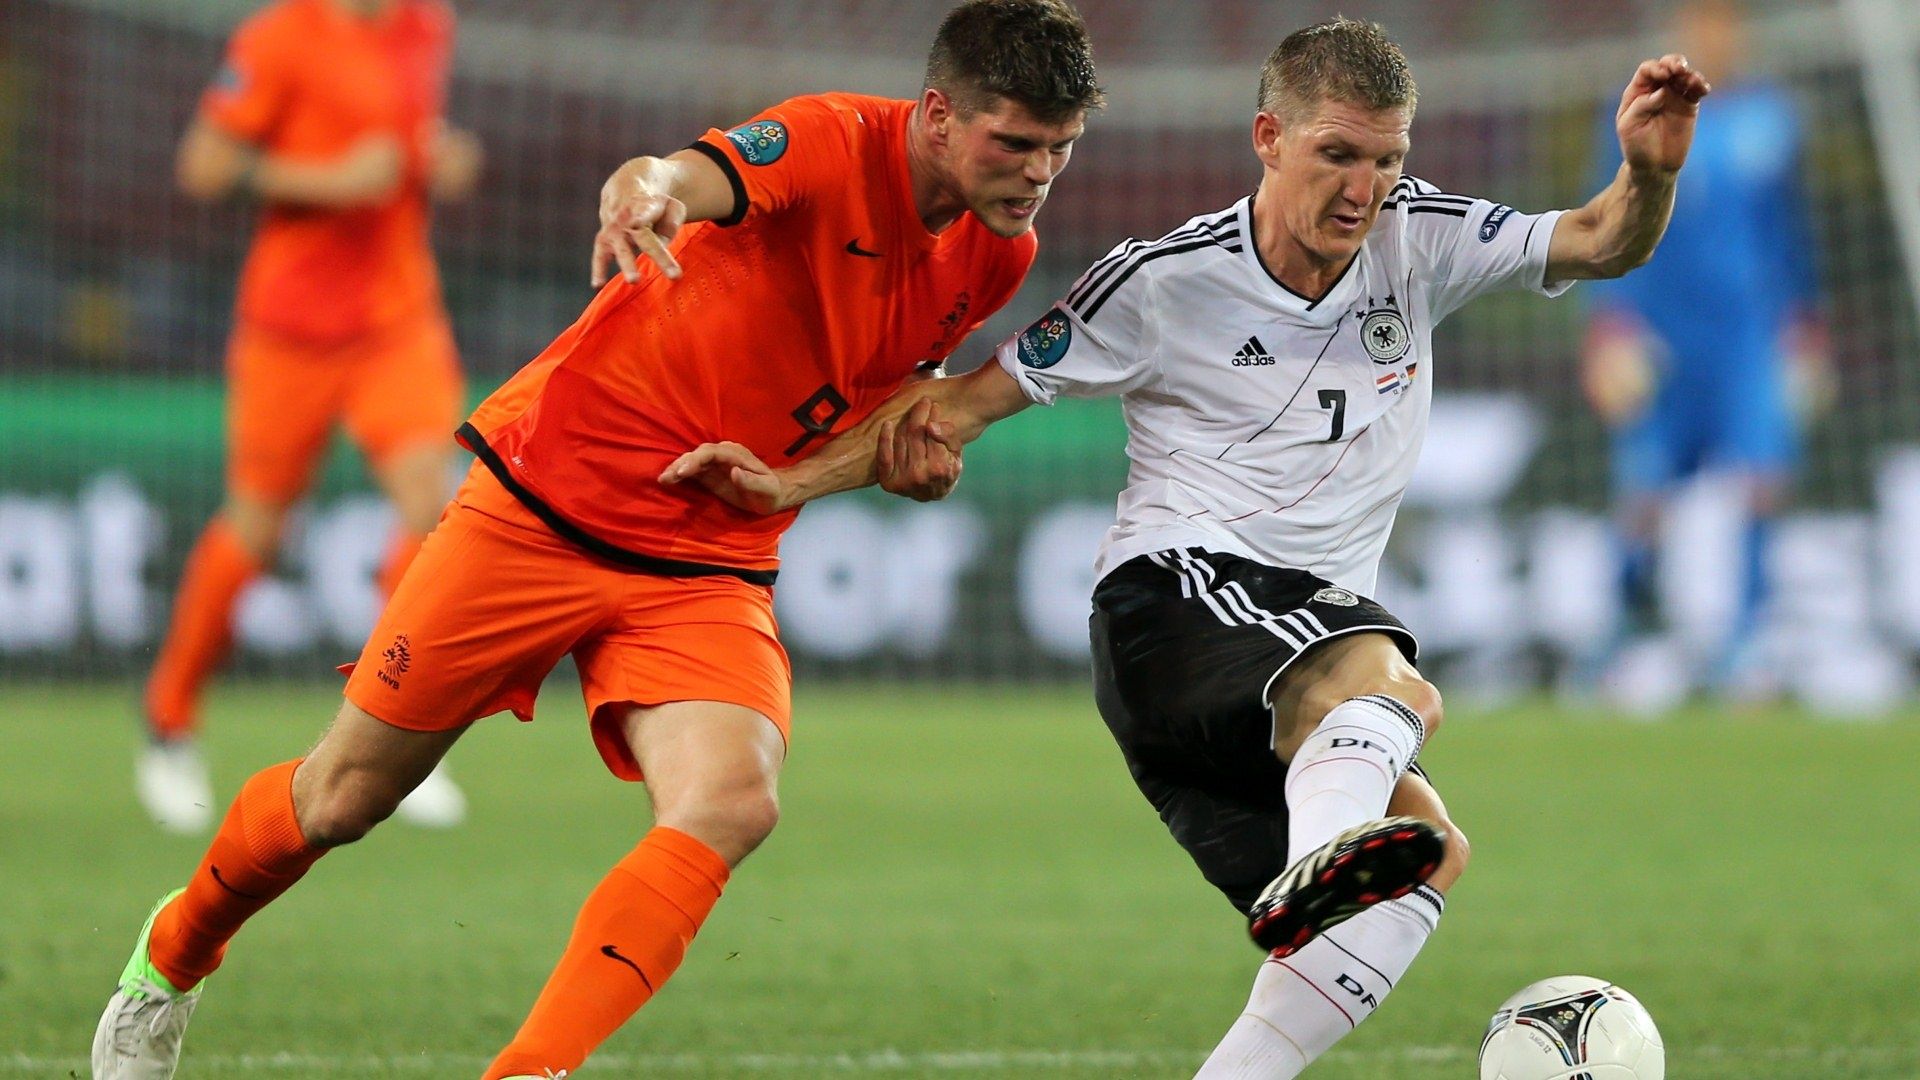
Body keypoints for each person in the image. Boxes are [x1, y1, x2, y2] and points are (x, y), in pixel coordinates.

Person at [665, 17, 1705, 1078]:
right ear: (1268, 136)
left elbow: (1599, 237)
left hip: (1261, 671)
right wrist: (790, 481)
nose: (1364, 189)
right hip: (1174, 605)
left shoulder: (1422, 237)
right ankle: (1322, 850)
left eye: (1387, 160)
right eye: (1336, 155)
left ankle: (1270, 993)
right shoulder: (1160, 280)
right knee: (1388, 689)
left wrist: (1647, 172)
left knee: (1421, 863)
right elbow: (956, 407)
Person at [91, 2, 1101, 1078]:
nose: (1038, 172)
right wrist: (642, 186)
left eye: (1061, 150)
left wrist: (895, 449)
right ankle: (171, 957)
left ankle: (529, 1071)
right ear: (940, 117)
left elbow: (887, 395)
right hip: (544, 508)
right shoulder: (826, 139)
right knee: (339, 799)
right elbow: (684, 175)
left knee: (732, 801)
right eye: (1016, 142)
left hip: (708, 553)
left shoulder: (998, 255)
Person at [139, 0, 483, 833]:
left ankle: (393, 731)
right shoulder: (277, 39)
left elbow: (412, 136)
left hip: (397, 319)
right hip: (289, 333)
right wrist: (329, 179)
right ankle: (169, 722)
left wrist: (439, 157)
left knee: (431, 512)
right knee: (255, 529)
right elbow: (206, 166)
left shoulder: (424, 25)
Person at [1579, 0, 1829, 702]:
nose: (1713, 39)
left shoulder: (1774, 118)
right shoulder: (1630, 115)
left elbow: (1790, 235)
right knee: (1645, 493)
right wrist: (1610, 328)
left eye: (1724, 25)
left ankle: (1748, 645)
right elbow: (1599, 223)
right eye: (1699, 25)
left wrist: (1804, 328)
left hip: (1749, 337)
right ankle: (1621, 633)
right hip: (1660, 334)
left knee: (1763, 483)